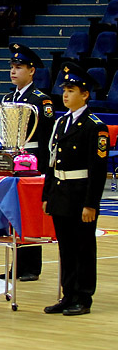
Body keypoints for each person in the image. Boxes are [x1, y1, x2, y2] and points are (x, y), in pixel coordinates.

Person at [42, 62, 107, 316]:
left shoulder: (95, 126)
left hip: (81, 195)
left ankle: (83, 296)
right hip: (61, 192)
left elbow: (98, 169)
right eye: (64, 90)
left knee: (83, 248)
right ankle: (67, 294)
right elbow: (51, 161)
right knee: (65, 248)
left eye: (71, 90)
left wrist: (91, 203)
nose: (65, 94)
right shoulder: (61, 123)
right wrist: (47, 195)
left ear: (85, 94)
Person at [0, 44, 54, 282]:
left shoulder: (41, 100)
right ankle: (15, 265)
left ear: (31, 71)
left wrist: (44, 170)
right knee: (12, 214)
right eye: (12, 67)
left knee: (29, 214)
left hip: (31, 164)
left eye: (19, 67)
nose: (13, 72)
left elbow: (47, 139)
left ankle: (30, 267)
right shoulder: (8, 98)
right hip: (10, 162)